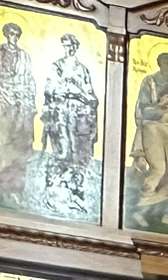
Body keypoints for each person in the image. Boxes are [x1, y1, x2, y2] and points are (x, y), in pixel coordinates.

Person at [40, 33, 100, 219]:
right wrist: (65, 93)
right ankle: (54, 194)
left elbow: (90, 94)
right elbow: (50, 90)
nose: (69, 49)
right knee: (62, 152)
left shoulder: (82, 70)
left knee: (79, 155)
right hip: (61, 115)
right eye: (66, 45)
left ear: (76, 47)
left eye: (71, 45)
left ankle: (74, 194)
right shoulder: (57, 66)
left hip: (79, 116)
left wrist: (83, 97)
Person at [0, 21, 36, 202]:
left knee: (17, 146)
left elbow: (30, 81)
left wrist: (29, 102)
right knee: (0, 142)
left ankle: (13, 189)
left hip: (19, 103)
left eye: (16, 34)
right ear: (6, 34)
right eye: (11, 33)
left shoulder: (24, 56)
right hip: (1, 99)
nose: (14, 37)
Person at [131, 53, 168, 228]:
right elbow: (143, 110)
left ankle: (165, 214)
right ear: (159, 64)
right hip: (153, 130)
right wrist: (161, 104)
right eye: (165, 64)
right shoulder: (149, 82)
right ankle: (139, 210)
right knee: (159, 169)